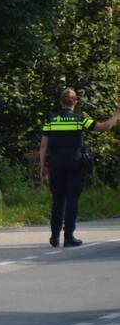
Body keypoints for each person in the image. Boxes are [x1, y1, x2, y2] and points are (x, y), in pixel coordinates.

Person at [38, 88, 120, 247]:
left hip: (55, 163)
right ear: (75, 102)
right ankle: (69, 237)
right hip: (75, 163)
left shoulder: (51, 120)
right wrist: (117, 114)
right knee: (72, 199)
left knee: (58, 200)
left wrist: (43, 166)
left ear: (61, 102)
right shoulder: (79, 119)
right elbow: (104, 127)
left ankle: (54, 237)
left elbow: (43, 146)